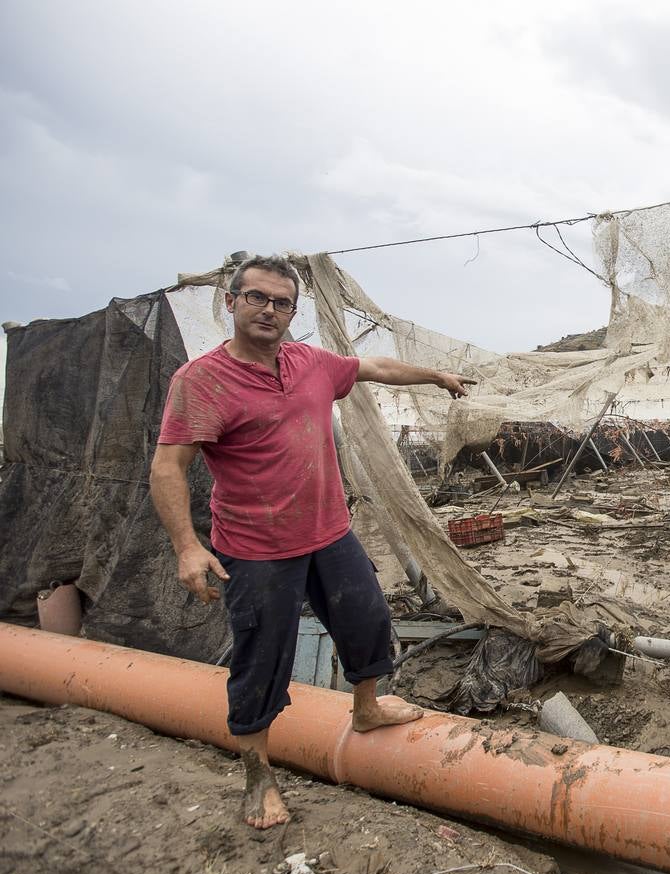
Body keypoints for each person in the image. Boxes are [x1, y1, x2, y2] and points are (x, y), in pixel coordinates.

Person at [149, 254, 475, 829]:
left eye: (282, 303)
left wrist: (436, 376)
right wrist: (187, 547)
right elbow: (167, 467)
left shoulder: (310, 363)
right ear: (231, 301)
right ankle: (258, 774)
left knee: (367, 619)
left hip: (329, 532)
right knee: (262, 656)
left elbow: (374, 366)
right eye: (256, 298)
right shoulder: (201, 381)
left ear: (291, 312)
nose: (269, 310)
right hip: (255, 547)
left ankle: (366, 710)